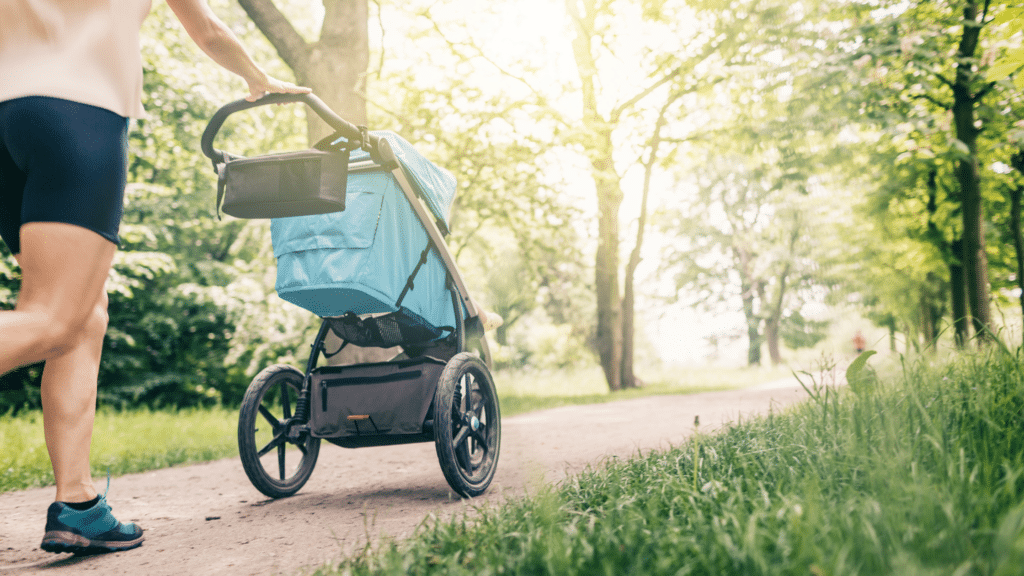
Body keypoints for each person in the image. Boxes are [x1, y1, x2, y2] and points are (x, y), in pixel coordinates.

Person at [0, 0, 309, 555]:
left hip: (4, 117)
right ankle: (76, 503)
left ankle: (78, 505)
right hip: (78, 110)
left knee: (85, 314)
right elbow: (209, 30)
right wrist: (257, 78)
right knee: (53, 318)